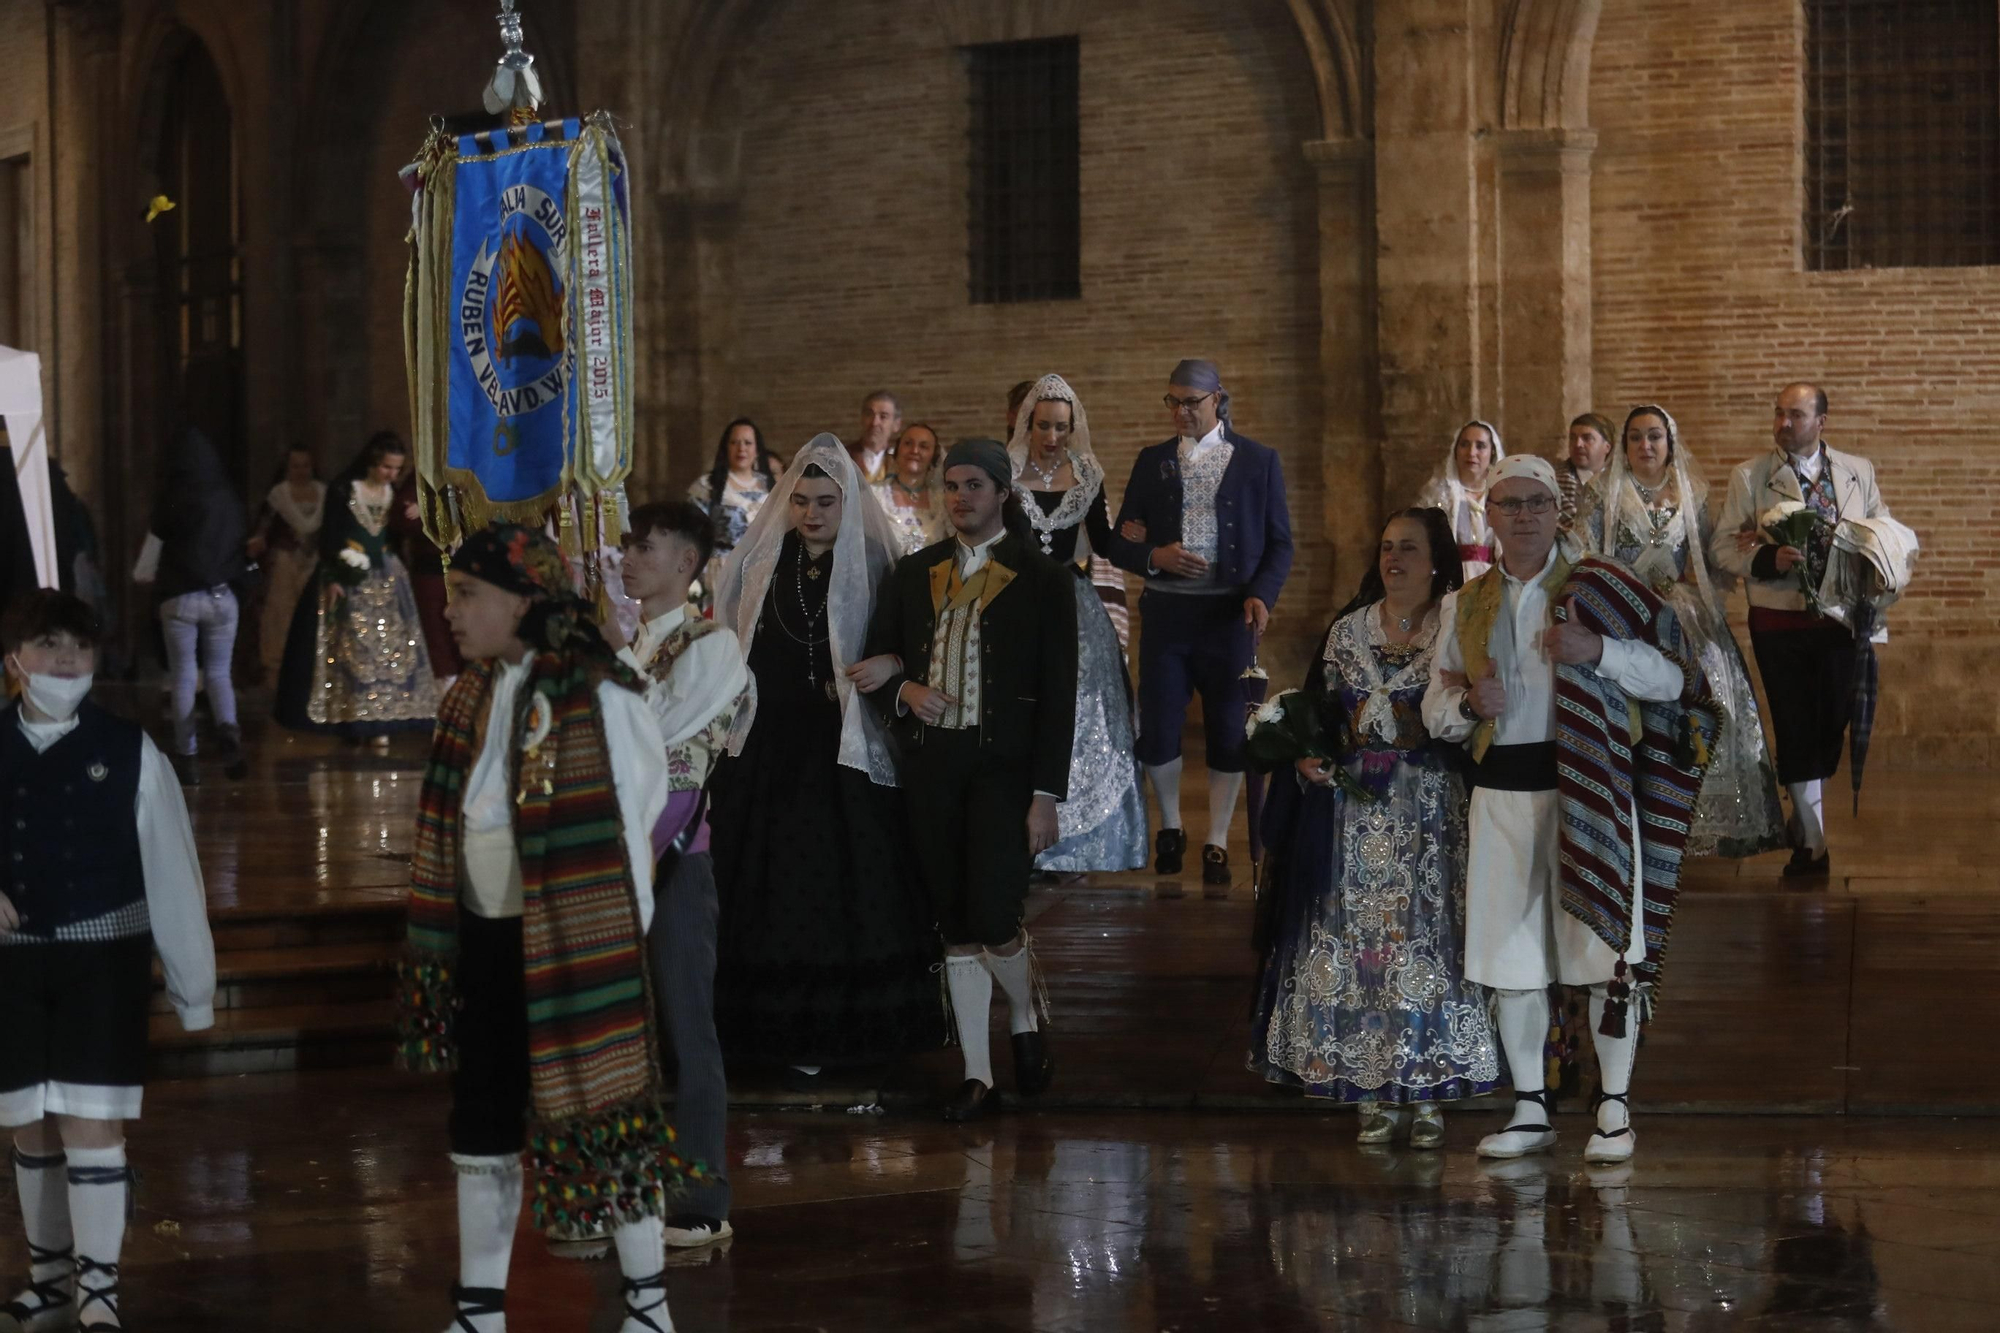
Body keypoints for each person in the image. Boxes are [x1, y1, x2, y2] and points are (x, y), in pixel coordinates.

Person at [397, 523, 680, 1333]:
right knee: (481, 1117)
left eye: (467, 594)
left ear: (522, 600)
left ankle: (649, 1306)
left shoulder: (599, 692)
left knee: (604, 1112)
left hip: (575, 943)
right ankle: (481, 1310)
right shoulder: (469, 695)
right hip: (486, 938)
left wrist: (614, 939)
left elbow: (634, 817)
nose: (451, 611)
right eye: (452, 593)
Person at [1423, 455, 1716, 1167]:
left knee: (1603, 955)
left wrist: (1601, 650)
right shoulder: (1465, 603)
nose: (1522, 516)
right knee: (1512, 959)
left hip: (1591, 791)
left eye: (1536, 504)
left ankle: (1613, 1107)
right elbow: (1435, 707)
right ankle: (1530, 1107)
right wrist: (1468, 704)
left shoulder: (1604, 589)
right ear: (1486, 515)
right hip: (1500, 797)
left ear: (1559, 514)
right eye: (1508, 504)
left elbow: (1675, 678)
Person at [0, 589, 216, 1333]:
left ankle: (99, 1287)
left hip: (104, 959)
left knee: (92, 1123)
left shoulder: (130, 750)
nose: (66, 660)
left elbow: (172, 869)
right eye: (49, 645)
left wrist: (195, 987)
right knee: (28, 1123)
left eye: (80, 648)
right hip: (13, 968)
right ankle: (49, 1276)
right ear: (14, 660)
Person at [1250, 508, 1499, 1147]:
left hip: (1430, 814)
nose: (1394, 559)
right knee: (1362, 940)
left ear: (1437, 560)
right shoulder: (1347, 632)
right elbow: (1323, 715)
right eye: (1387, 547)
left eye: (1409, 549)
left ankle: (1426, 1085)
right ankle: (1365, 1081)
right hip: (1351, 818)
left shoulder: (1460, 627)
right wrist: (1307, 755)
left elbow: (1475, 719)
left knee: (1427, 936)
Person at [707, 435, 946, 1084]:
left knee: (850, 880)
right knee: (768, 880)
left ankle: (845, 1028)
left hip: (846, 748)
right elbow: (732, 645)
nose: (812, 514)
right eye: (803, 502)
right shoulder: (761, 565)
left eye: (826, 502)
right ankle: (769, 1027)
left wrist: (893, 663)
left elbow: (916, 645)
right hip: (771, 751)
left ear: (847, 502)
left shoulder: (875, 562)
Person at [859, 437, 1078, 1121]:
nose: (960, 497)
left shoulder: (1041, 578)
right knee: (952, 920)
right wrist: (906, 693)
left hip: (1005, 772)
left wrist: (1046, 794)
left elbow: (1058, 693)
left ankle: (1024, 1010)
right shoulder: (915, 570)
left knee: (994, 914)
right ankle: (978, 1075)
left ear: (1002, 492)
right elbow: (879, 664)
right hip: (934, 766)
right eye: (951, 486)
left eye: (974, 485)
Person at [605, 500, 754, 1251]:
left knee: (689, 1027)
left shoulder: (711, 646)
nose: (628, 559)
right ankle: (626, 1186)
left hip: (673, 860)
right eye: (627, 546)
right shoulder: (627, 644)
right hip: (609, 859)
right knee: (618, 1037)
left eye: (645, 547)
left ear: (688, 563)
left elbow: (649, 740)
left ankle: (701, 1192)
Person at [1107, 359, 1293, 889]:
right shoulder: (1152, 461)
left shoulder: (1258, 461)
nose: (1181, 411)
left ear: (1217, 400)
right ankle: (1170, 825)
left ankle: (1215, 839)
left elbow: (1280, 542)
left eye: (1191, 401)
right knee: (1160, 726)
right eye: (1173, 401)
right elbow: (1120, 540)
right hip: (1167, 612)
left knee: (1229, 731)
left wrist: (1261, 594)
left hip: (1229, 616)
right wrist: (1153, 556)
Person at [1583, 406, 1786, 859]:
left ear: (1669, 444)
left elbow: (1711, 553)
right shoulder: (1602, 492)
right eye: (1635, 438)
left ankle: (1698, 813)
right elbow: (1589, 554)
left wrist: (1747, 544)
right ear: (1624, 446)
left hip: (1679, 611)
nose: (1645, 446)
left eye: (1654, 437)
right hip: (1625, 612)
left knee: (1705, 688)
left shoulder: (1692, 492)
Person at [1710, 383, 1893, 878]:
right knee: (1793, 720)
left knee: (1831, 720)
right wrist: (1767, 556)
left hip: (1842, 618)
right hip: (1779, 617)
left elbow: (1884, 532)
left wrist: (1879, 562)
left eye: (1795, 414)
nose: (1783, 423)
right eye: (1779, 414)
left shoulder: (1859, 471)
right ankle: (1812, 842)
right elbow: (1723, 548)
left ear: (1821, 422)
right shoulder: (1750, 476)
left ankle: (1803, 812)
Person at [1005, 373, 1146, 874]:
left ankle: (1083, 838)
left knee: (1086, 710)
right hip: (1016, 601)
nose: (1051, 437)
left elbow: (1105, 543)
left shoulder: (1087, 472)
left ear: (1073, 426)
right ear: (1028, 422)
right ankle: (1014, 828)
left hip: (1071, 598)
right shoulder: (1007, 469)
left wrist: (1146, 544)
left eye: (1061, 427)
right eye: (1043, 425)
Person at [273, 432, 440, 740]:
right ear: (372, 462)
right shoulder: (344, 490)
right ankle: (350, 717)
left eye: (396, 469)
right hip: (348, 577)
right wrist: (334, 575)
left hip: (388, 578)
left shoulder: (394, 493)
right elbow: (330, 534)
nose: (391, 474)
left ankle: (383, 721)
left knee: (389, 650)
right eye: (386, 467)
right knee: (350, 650)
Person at [131, 425, 251, 784]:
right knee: (218, 672)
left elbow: (154, 546)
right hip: (221, 596)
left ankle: (188, 755)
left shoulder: (172, 497)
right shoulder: (229, 498)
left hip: (179, 596)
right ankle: (228, 729)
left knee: (183, 674)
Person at [247, 448, 327, 682]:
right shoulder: (278, 494)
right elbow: (263, 527)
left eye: (305, 465)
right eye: (295, 465)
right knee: (282, 613)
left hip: (315, 560)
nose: (301, 471)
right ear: (287, 468)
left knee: (314, 611)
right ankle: (278, 666)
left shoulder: (323, 493)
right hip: (285, 561)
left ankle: (313, 662)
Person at [390, 466, 461, 681]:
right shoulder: (421, 477)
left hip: (464, 571)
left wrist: (429, 509)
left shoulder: (469, 473)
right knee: (436, 636)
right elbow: (406, 518)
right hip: (431, 571)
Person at [1416, 420, 1506, 580]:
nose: (1471, 452)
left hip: (1496, 582)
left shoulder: (1505, 496)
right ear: (1455, 450)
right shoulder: (1437, 494)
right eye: (1465, 444)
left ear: (1492, 452)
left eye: (1480, 446)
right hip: (1451, 582)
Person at [686, 417, 781, 562]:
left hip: (763, 566)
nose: (741, 448)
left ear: (757, 450)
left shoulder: (771, 486)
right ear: (726, 448)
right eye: (734, 442)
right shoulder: (707, 486)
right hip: (721, 567)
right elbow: (692, 534)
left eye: (747, 443)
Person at [872, 422, 946, 555]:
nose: (915, 451)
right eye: (908, 443)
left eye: (924, 446)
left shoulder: (943, 500)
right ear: (897, 449)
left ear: (933, 456)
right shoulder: (874, 495)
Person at [1559, 413, 1615, 534]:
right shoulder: (1555, 482)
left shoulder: (1621, 483)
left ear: (1607, 447)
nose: (1578, 444)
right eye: (1573, 438)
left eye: (1587, 438)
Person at [848, 391, 902, 485]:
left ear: (896, 425)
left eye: (883, 417)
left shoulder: (900, 463)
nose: (874, 423)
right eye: (869, 414)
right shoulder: (842, 458)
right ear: (861, 419)